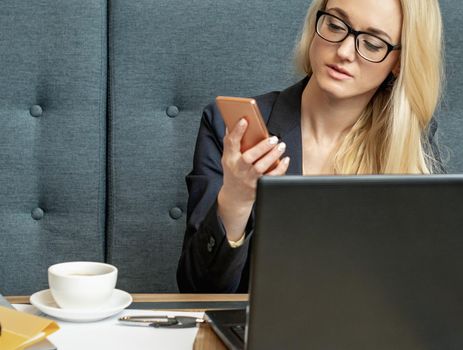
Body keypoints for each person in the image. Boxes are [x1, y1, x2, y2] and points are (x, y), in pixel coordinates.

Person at [177, 0, 444, 292]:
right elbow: (197, 290)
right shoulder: (229, 127)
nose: (343, 52)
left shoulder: (410, 144)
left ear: (399, 62)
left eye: (372, 43)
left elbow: (424, 286)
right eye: (335, 25)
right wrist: (236, 201)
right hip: (259, 333)